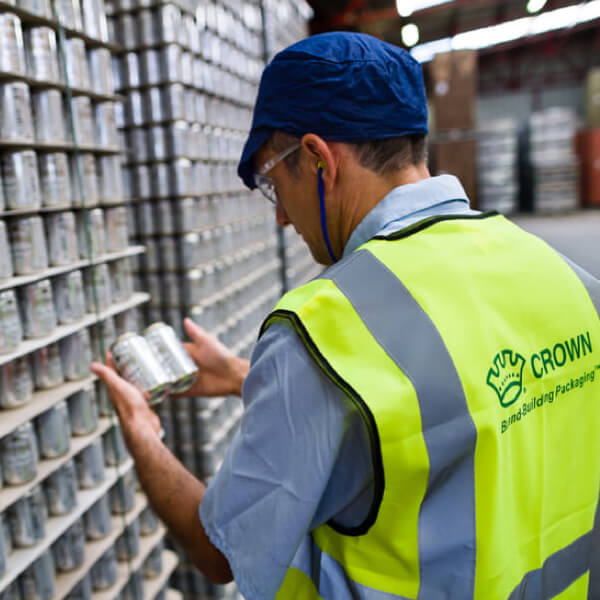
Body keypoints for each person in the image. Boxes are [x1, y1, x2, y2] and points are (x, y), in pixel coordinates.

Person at [91, 31, 600, 600]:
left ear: (316, 159)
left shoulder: (322, 332)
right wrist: (243, 376)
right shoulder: (562, 275)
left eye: (274, 182)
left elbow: (217, 550)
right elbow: (455, 407)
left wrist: (142, 432)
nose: (282, 215)